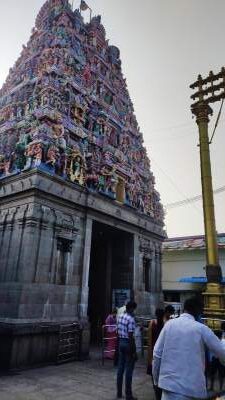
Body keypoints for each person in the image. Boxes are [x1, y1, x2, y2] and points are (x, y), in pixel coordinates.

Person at [152, 296, 225, 400]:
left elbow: (157, 354)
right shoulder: (201, 329)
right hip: (191, 390)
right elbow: (222, 352)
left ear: (184, 309)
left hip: (168, 389)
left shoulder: (169, 325)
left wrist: (156, 380)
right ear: (198, 311)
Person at [117, 301, 137, 400]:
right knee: (129, 370)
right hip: (128, 343)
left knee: (120, 368)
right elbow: (131, 336)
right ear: (131, 308)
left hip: (121, 342)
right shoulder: (131, 319)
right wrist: (134, 351)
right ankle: (128, 395)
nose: (134, 311)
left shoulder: (120, 316)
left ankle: (119, 392)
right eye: (134, 309)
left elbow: (118, 330)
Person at [147, 308, 165, 400]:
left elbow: (150, 342)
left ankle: (157, 394)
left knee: (154, 377)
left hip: (154, 353)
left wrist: (149, 358)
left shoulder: (152, 324)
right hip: (163, 354)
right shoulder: (166, 324)